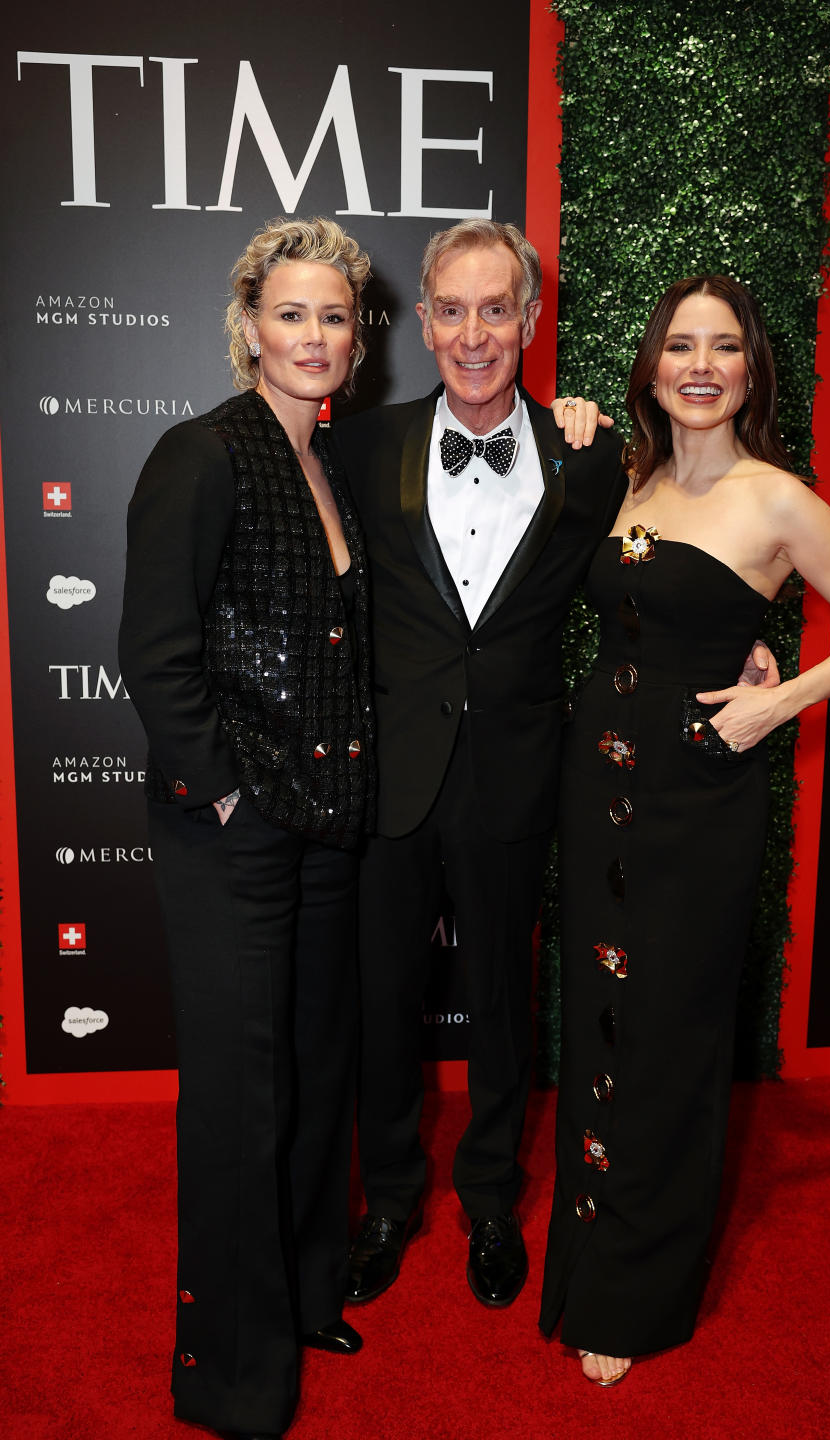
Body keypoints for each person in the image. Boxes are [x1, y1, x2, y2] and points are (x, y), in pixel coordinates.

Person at [332, 225, 772, 1312]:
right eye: (453, 309)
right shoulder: (360, 446)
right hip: (392, 773)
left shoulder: (590, 460)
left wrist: (744, 647)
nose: (474, 333)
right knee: (381, 1000)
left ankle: (488, 1197)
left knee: (499, 1000)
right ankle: (388, 1198)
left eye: (497, 310)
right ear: (423, 320)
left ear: (530, 323)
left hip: (521, 776)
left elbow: (661, 577)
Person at [538, 274, 830, 1386]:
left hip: (700, 801)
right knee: (598, 1021)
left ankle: (637, 1296)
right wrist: (569, 427)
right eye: (679, 346)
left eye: (725, 348)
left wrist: (776, 698)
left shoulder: (778, 500)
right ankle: (583, 1256)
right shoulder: (624, 478)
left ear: (753, 370)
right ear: (651, 365)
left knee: (669, 1041)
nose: (699, 366)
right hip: (591, 785)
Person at [118, 217, 375, 1440]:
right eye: (292, 314)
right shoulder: (204, 454)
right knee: (239, 1095)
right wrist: (224, 792)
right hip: (234, 831)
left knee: (316, 1072)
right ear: (249, 327)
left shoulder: (329, 460)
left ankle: (307, 1290)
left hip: (326, 825)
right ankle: (229, 1370)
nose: (315, 336)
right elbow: (157, 657)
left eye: (335, 315)